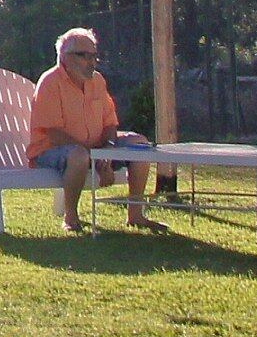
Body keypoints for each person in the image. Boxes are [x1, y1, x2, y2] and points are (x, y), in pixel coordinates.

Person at [27, 26, 160, 233]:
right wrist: (96, 157)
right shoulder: (49, 83)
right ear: (65, 58)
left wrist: (107, 148)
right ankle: (70, 217)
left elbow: (109, 123)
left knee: (139, 144)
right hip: (51, 151)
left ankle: (135, 215)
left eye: (94, 56)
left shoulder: (97, 81)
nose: (91, 62)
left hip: (95, 148)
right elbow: (54, 134)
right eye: (83, 56)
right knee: (78, 155)